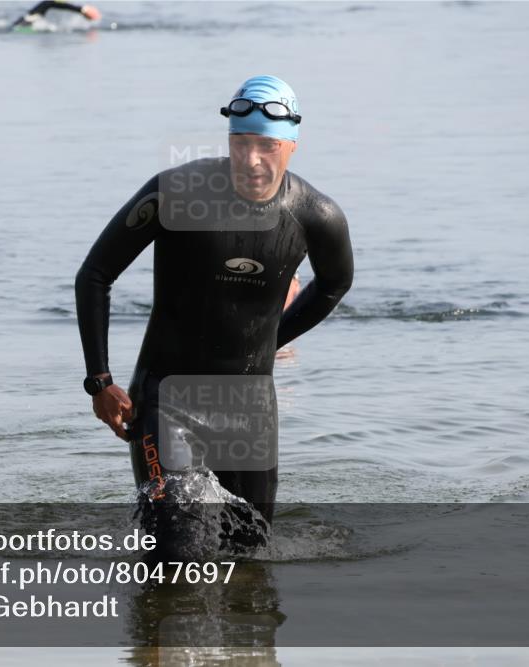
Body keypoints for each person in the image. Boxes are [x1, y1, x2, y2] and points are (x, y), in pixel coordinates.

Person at [75, 75, 353, 525]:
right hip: (167, 400)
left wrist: (273, 337)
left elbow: (335, 284)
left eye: (267, 146)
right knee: (174, 549)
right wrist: (99, 380)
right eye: (241, 144)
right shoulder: (175, 193)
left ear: (292, 145)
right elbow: (95, 274)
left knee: (252, 560)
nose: (252, 159)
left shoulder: (315, 215)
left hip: (250, 409)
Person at [12, 1, 100, 28]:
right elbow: (65, 6)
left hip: (26, 18)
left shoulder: (48, 2)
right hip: (29, 20)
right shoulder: (50, 2)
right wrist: (81, 10)